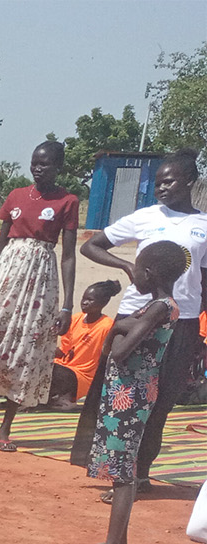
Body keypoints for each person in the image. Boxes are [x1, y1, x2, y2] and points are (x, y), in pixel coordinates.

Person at [79, 148, 207, 492]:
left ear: (190, 181)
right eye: (158, 182)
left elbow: (205, 281)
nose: (161, 188)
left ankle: (141, 474)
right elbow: (91, 246)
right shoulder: (144, 217)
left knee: (161, 402)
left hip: (182, 321)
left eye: (170, 181)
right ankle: (116, 472)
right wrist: (126, 266)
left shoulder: (204, 226)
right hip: (136, 314)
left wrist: (200, 332)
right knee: (124, 396)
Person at [0, 141, 82, 450]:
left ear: (58, 167)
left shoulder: (68, 201)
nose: (38, 168)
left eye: (45, 164)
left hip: (40, 282)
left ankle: (5, 427)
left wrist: (67, 305)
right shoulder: (16, 196)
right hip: (7, 278)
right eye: (35, 162)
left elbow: (68, 256)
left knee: (26, 350)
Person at [72, 241, 187, 544]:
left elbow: (120, 351)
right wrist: (118, 331)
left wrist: (116, 330)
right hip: (129, 392)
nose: (132, 273)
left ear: (149, 273)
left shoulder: (158, 308)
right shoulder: (160, 306)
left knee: (124, 473)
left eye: (136, 268)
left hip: (131, 396)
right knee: (123, 467)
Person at [47, 281, 120, 408]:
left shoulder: (106, 326)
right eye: (83, 298)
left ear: (103, 303)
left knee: (52, 372)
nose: (84, 302)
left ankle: (63, 397)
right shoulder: (75, 319)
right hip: (64, 366)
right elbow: (64, 351)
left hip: (82, 375)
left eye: (90, 300)